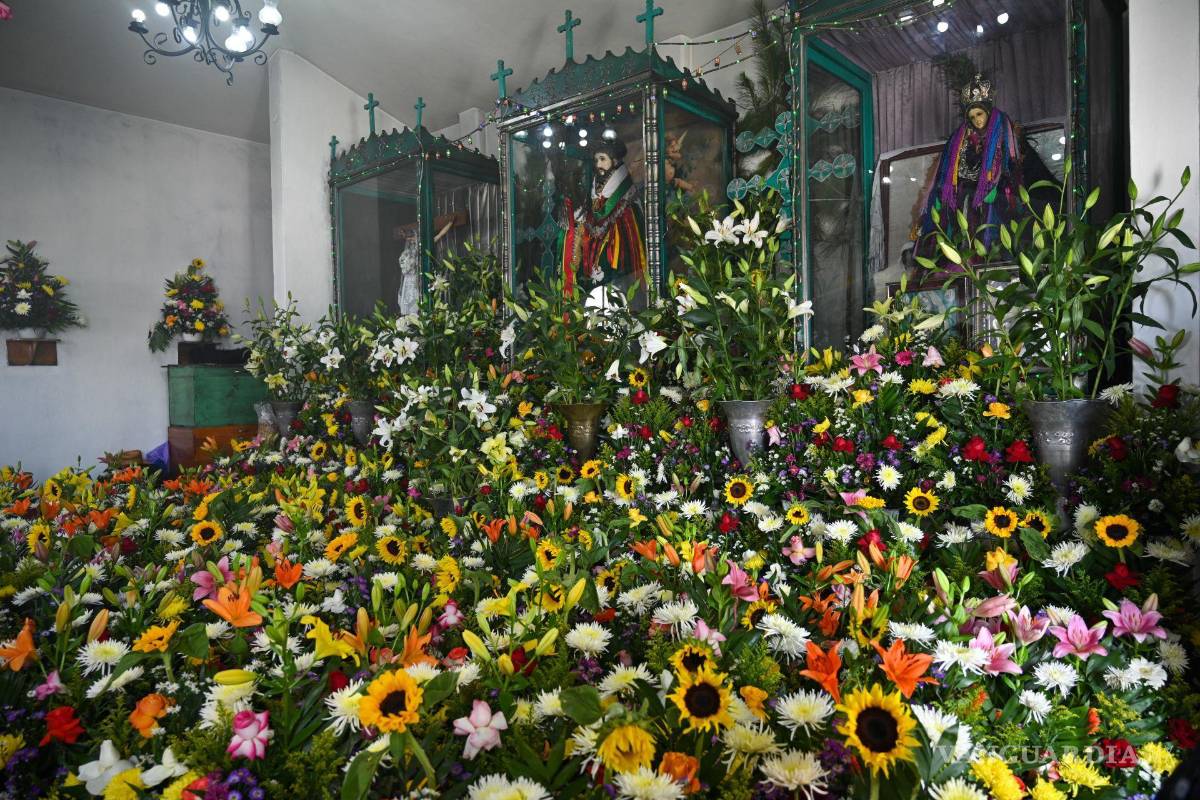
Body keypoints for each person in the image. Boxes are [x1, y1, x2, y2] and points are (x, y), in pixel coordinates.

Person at [917, 74, 1023, 258]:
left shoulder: (1002, 133)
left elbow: (1009, 165)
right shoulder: (960, 137)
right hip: (965, 197)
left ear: (988, 112)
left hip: (995, 197)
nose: (977, 120)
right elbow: (948, 170)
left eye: (979, 114)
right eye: (972, 116)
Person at [558, 137, 647, 296]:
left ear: (615, 160)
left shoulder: (625, 197)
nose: (598, 165)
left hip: (616, 258)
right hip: (593, 253)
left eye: (602, 159)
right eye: (596, 160)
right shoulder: (595, 191)